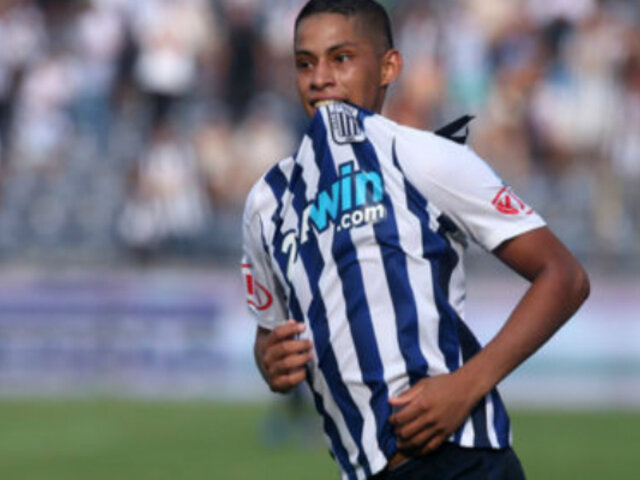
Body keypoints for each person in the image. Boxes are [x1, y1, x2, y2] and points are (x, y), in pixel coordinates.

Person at [241, 1, 590, 479]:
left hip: (461, 462)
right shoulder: (267, 203)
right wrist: (269, 362)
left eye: (341, 58)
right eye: (305, 63)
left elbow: (564, 277)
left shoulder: (423, 157)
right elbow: (269, 337)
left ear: (388, 67)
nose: (320, 78)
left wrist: (466, 386)